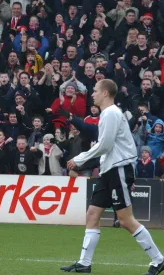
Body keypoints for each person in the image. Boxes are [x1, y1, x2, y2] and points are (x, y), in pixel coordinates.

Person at [61, 79, 164, 275]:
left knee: (125, 220)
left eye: (96, 91)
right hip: (109, 170)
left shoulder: (111, 113)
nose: (92, 94)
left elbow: (104, 145)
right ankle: (84, 263)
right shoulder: (109, 114)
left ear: (105, 93)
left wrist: (79, 159)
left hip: (118, 170)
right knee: (92, 214)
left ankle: (158, 260)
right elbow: (106, 145)